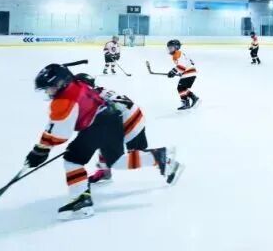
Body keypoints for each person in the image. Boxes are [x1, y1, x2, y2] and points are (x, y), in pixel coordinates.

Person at [27, 64, 181, 219]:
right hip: (110, 117)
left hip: (113, 121)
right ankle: (108, 172)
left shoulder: (65, 100)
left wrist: (40, 150)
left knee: (76, 159)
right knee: (96, 151)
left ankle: (82, 200)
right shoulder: (78, 84)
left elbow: (59, 133)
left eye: (49, 88)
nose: (47, 92)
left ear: (61, 83)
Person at [72, 73, 183, 186]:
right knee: (131, 152)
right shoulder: (100, 90)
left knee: (116, 159)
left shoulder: (88, 97)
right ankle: (163, 159)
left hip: (126, 120)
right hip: (135, 115)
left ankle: (160, 156)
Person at [166, 39, 199, 110]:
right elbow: (185, 65)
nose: (170, 49)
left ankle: (187, 103)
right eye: (169, 48)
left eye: (171, 48)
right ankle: (194, 98)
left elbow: (182, 66)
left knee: (180, 88)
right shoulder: (179, 54)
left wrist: (173, 71)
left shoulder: (177, 53)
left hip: (189, 73)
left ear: (176, 47)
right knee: (182, 88)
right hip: (190, 73)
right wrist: (179, 72)